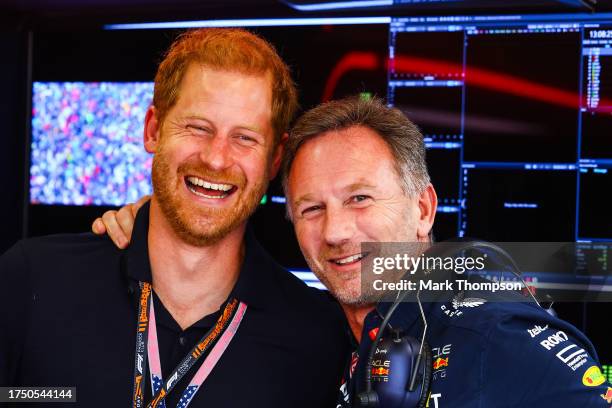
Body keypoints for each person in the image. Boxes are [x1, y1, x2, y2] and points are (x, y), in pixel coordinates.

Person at [98, 96, 611, 407]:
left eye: (360, 199)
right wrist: (159, 220)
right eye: (311, 209)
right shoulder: (330, 335)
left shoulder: (493, 336)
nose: (337, 232)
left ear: (424, 208)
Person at [0, 28, 349, 407]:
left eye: (245, 138)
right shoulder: (32, 278)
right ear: (153, 129)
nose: (216, 158)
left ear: (274, 159)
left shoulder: (317, 336)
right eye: (198, 128)